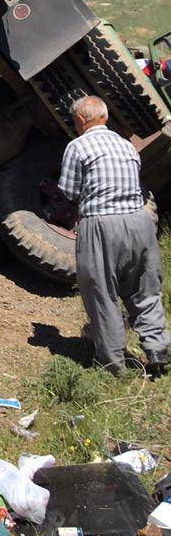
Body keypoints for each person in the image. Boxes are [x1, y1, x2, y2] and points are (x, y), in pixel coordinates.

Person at [57, 95, 169, 377]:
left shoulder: (77, 146)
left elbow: (69, 191)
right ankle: (158, 350)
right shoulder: (126, 145)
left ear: (80, 120)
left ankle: (113, 364)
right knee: (145, 287)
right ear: (105, 117)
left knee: (101, 291)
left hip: (101, 224)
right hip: (140, 221)